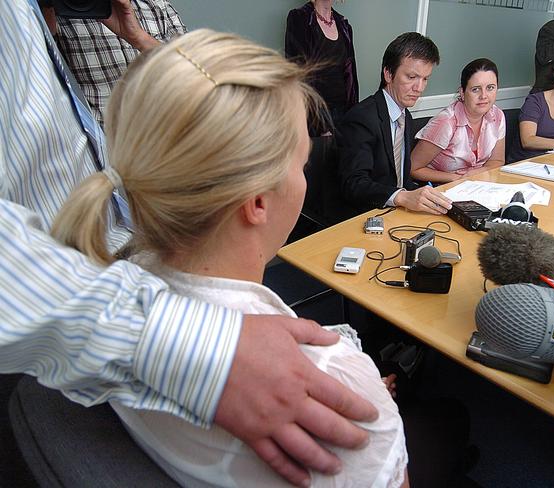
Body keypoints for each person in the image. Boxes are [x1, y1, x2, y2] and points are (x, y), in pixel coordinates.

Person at [0, 2, 378, 486]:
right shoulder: (333, 379)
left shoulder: (129, 296)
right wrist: (198, 349)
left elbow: (206, 105)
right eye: (302, 165)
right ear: (257, 201)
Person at [337, 32, 453, 219]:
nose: (420, 88)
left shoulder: (405, 116)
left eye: (425, 79)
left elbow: (401, 178)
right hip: (363, 217)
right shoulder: (361, 118)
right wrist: (401, 197)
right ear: (388, 74)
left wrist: (422, 193)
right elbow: (354, 184)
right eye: (412, 77)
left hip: (394, 213)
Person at [44, 0, 187, 127]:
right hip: (107, 149)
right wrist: (45, 11)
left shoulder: (156, 5)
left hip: (170, 142)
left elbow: (196, 74)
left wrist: (139, 38)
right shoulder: (62, 9)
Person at [410, 58, 505, 184]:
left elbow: (497, 161)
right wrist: (458, 179)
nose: (484, 96)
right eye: (475, 89)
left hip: (478, 185)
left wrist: (478, 172)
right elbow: (413, 168)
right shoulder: (446, 122)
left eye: (490, 88)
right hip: (442, 187)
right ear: (462, 92)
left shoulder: (497, 116)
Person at [285, 0, 358, 131]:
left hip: (343, 116)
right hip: (314, 117)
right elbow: (297, 76)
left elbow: (351, 77)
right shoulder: (299, 18)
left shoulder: (344, 25)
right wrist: (320, 126)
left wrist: (353, 119)